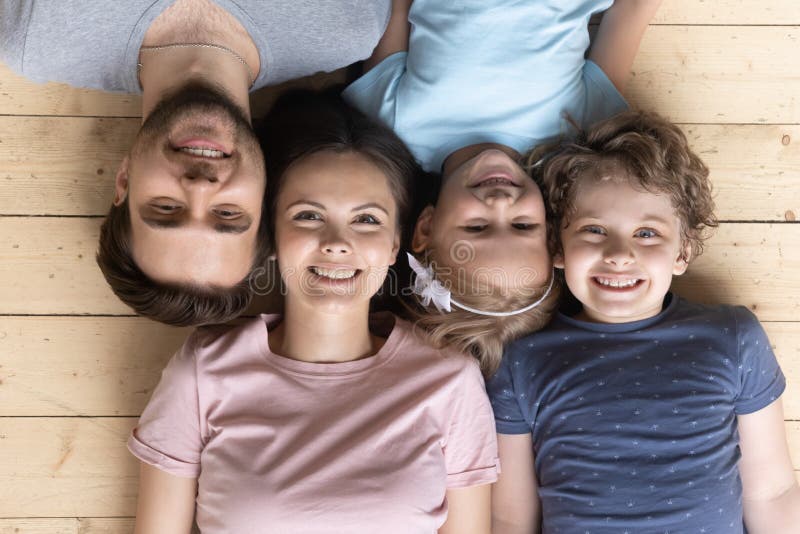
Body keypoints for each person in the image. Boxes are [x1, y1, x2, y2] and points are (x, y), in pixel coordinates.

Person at [126, 93, 499, 533]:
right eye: (307, 216)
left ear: (396, 242)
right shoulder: (204, 371)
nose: (337, 242)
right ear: (273, 233)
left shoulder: (450, 382)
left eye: (366, 221)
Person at [488, 110, 800, 533]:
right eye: (594, 230)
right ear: (557, 247)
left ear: (683, 252)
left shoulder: (732, 338)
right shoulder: (522, 359)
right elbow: (511, 517)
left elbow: (772, 493)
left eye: (647, 233)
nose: (619, 253)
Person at [0, 0, 392, 325]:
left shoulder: (38, 36)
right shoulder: (346, 24)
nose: (200, 187)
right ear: (265, 194)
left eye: (167, 207)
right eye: (227, 213)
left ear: (124, 181)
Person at [343, 0, 662, 376]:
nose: (499, 203)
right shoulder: (578, 133)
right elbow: (631, 14)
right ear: (550, 226)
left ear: (426, 227)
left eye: (477, 227)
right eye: (523, 225)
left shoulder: (391, 127)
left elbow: (393, 9)